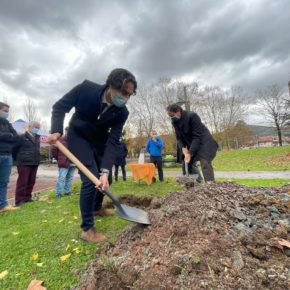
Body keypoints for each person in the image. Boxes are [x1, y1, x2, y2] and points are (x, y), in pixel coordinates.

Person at [48, 68, 137, 243]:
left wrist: (104, 171)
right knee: (90, 180)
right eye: (123, 93)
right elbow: (59, 107)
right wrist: (56, 131)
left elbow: (113, 140)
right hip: (78, 137)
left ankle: (97, 208)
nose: (125, 98)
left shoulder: (122, 112)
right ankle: (87, 229)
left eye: (129, 95)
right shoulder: (86, 89)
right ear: (111, 85)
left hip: (100, 141)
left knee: (105, 176)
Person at [167, 104, 218, 182]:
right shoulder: (174, 122)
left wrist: (190, 153)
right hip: (192, 143)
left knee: (205, 163)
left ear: (178, 111)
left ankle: (210, 185)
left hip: (203, 142)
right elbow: (179, 137)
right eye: (169, 116)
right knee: (186, 163)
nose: (171, 118)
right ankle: (194, 184)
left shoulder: (192, 116)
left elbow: (197, 137)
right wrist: (184, 148)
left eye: (172, 115)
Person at [14, 121, 41, 206]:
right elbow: (14, 149)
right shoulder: (22, 137)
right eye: (36, 127)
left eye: (38, 127)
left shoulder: (37, 137)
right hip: (24, 163)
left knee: (31, 181)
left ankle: (27, 197)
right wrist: (19, 158)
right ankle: (19, 200)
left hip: (34, 162)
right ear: (30, 127)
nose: (37, 129)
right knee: (23, 181)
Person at [0, 102, 19, 213]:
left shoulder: (7, 123)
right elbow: (10, 136)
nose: (6, 113)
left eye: (8, 112)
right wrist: (9, 136)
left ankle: (3, 205)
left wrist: (6, 136)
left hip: (7, 155)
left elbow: (16, 136)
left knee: (4, 182)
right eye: (4, 111)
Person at [52, 127, 76, 198]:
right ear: (66, 131)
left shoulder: (75, 141)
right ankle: (58, 193)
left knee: (70, 177)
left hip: (73, 163)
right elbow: (54, 151)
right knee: (62, 178)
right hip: (64, 162)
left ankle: (67, 191)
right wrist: (59, 159)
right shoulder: (60, 140)